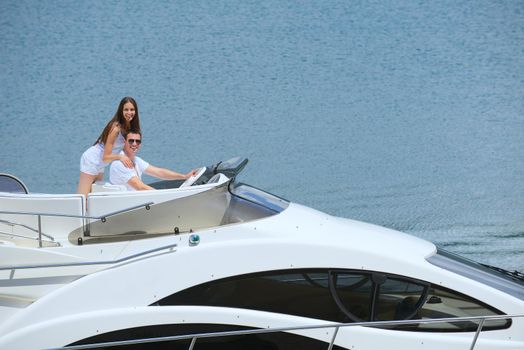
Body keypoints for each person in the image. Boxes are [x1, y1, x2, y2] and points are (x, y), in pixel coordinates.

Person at [76, 97, 141, 197]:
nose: (129, 112)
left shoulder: (129, 127)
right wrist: (120, 157)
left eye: (132, 109)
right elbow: (106, 156)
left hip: (101, 164)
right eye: (126, 109)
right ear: (121, 111)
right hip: (92, 160)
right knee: (82, 198)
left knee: (94, 196)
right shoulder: (115, 128)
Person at [110, 130, 197, 191]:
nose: (134, 144)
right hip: (127, 207)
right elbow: (139, 187)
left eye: (138, 141)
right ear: (124, 142)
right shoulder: (120, 163)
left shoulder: (136, 160)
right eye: (131, 141)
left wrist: (184, 176)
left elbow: (158, 172)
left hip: (137, 201)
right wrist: (162, 196)